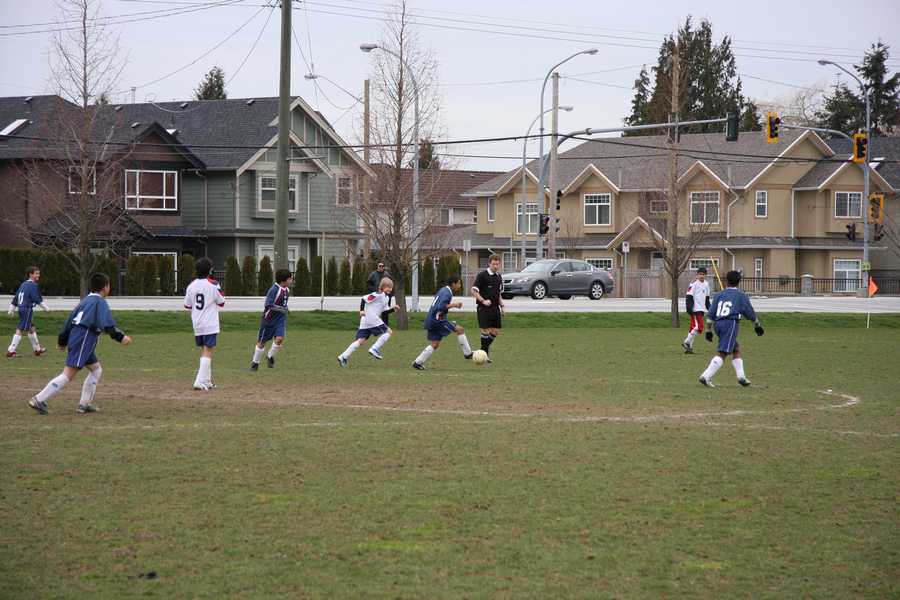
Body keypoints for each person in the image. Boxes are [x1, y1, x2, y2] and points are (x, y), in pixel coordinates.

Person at [28, 272, 132, 415]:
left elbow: (69, 322)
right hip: (84, 338)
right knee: (68, 373)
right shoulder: (99, 302)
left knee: (96, 369)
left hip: (79, 337)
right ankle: (38, 399)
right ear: (105, 287)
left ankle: (84, 404)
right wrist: (120, 337)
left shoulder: (85, 301)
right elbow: (107, 324)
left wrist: (62, 340)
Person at [699, 270, 765, 388]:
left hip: (718, 324)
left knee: (735, 349)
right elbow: (750, 313)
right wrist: (757, 325)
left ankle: (741, 377)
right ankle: (706, 376)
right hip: (730, 324)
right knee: (723, 352)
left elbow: (710, 314)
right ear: (739, 282)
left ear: (726, 280)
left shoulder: (719, 294)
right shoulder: (740, 296)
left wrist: (708, 331)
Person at [412, 275, 473, 370]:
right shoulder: (447, 293)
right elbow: (441, 307)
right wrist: (455, 305)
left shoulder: (443, 290)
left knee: (435, 344)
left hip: (431, 319)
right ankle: (468, 354)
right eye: (458, 283)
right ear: (453, 284)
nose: (460, 285)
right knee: (460, 329)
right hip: (437, 321)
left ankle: (417, 362)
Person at [338, 277, 399, 366]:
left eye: (391, 287)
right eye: (388, 287)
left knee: (361, 341)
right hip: (372, 318)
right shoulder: (378, 294)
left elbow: (384, 311)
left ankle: (343, 356)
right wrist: (361, 310)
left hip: (366, 320)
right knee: (389, 332)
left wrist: (393, 309)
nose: (390, 289)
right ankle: (374, 349)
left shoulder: (386, 298)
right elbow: (364, 298)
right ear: (382, 287)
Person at [184, 257, 225, 390]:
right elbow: (222, 302)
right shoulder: (213, 285)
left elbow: (188, 305)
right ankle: (199, 381)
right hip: (210, 323)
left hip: (197, 323)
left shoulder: (191, 286)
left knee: (205, 350)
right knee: (208, 350)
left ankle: (206, 380)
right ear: (210, 270)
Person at [250, 269, 293, 371]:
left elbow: (283, 304)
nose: (291, 280)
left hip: (280, 320)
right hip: (268, 320)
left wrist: (285, 309)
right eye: (289, 279)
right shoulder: (273, 290)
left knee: (280, 338)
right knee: (262, 343)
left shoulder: (287, 290)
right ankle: (255, 363)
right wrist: (282, 309)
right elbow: (268, 304)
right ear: (283, 280)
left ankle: (270, 356)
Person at [7, 265, 49, 358]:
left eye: (39, 273)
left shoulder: (23, 284)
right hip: (27, 309)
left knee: (31, 328)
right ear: (31, 274)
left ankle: (37, 349)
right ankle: (11, 350)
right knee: (20, 328)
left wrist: (12, 308)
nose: (38, 275)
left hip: (21, 308)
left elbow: (16, 297)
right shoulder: (33, 285)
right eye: (36, 273)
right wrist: (46, 308)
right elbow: (36, 298)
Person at [471, 254, 505, 362]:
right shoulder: (482, 275)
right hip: (483, 308)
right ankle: (484, 354)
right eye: (493, 264)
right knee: (485, 331)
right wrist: (483, 301)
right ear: (489, 263)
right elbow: (473, 291)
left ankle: (481, 351)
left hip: (495, 308)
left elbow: (498, 294)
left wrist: (502, 306)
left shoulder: (499, 277)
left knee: (495, 331)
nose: (495, 266)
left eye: (497, 264)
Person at [681, 267, 711, 354]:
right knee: (699, 327)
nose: (701, 276)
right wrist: (689, 308)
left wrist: (710, 309)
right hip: (695, 309)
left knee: (693, 328)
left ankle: (689, 348)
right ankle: (686, 342)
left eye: (703, 274)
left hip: (701, 309)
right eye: (700, 274)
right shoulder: (694, 283)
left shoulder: (706, 284)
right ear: (697, 275)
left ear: (705, 275)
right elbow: (689, 296)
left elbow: (707, 299)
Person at [363, 261, 394, 327]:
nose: (381, 267)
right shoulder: (373, 274)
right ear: (377, 267)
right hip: (376, 296)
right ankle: (373, 325)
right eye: (380, 266)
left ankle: (385, 326)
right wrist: (374, 290)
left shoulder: (387, 275)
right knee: (375, 311)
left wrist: (390, 295)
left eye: (382, 266)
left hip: (385, 296)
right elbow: (368, 284)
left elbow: (391, 284)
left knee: (385, 312)